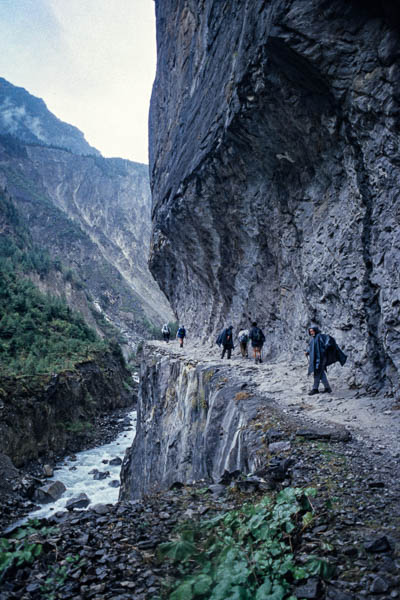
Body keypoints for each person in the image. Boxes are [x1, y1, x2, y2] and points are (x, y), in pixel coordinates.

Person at [305, 326, 332, 395]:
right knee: (321, 374)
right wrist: (307, 352)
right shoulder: (312, 339)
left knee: (317, 374)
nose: (311, 332)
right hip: (315, 359)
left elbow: (326, 344)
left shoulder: (320, 337)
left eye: (312, 331)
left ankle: (315, 389)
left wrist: (324, 351)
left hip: (320, 359)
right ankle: (327, 388)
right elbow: (311, 347)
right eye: (310, 331)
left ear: (315, 330)